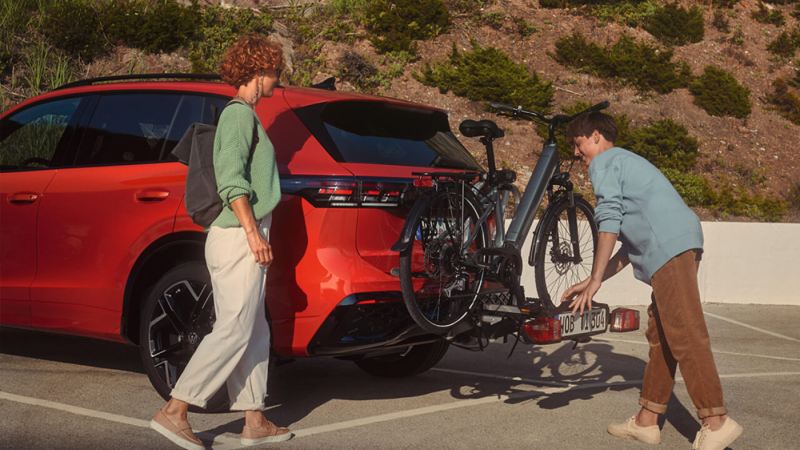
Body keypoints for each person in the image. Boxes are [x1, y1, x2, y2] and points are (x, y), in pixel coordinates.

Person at [560, 112, 742, 450]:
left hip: (669, 249)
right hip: (676, 245)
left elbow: (609, 223)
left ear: (596, 136)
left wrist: (597, 280)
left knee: (685, 331)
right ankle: (647, 420)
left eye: (578, 143)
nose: (576, 152)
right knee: (662, 335)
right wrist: (592, 280)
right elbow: (627, 248)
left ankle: (715, 422)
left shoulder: (606, 162)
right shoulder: (626, 164)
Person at [150, 34, 291, 449]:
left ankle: (254, 419)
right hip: (237, 235)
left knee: (253, 329)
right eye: (275, 72)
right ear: (259, 70)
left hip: (244, 233)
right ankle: (175, 410)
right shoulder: (239, 116)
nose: (277, 81)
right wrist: (253, 233)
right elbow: (232, 181)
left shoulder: (247, 115)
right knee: (234, 328)